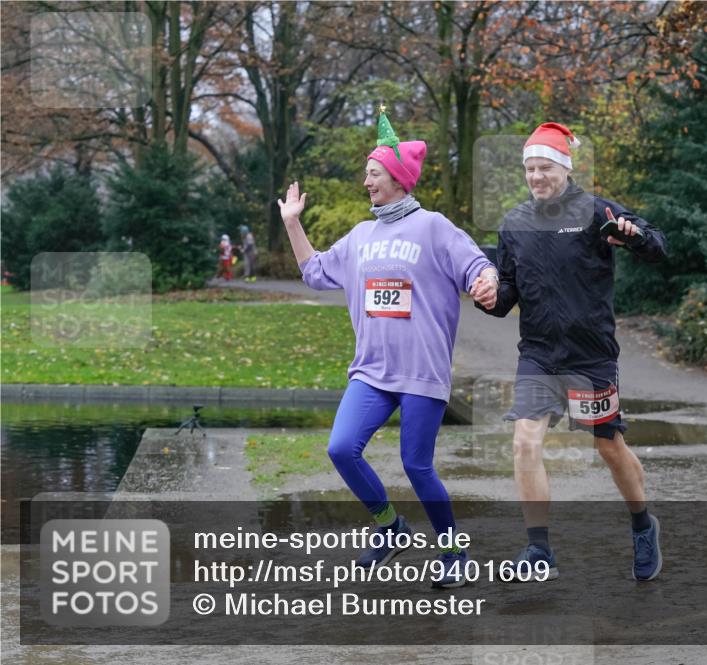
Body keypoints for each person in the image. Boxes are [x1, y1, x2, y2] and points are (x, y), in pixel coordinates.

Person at [277, 108, 498, 588]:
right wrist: (293, 223)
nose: (365, 181)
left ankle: (454, 552)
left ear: (397, 178)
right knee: (341, 448)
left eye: (373, 173)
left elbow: (477, 265)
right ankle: (389, 526)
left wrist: (485, 280)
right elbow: (315, 273)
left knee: (417, 465)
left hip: (421, 371)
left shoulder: (434, 228)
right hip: (372, 372)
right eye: (366, 173)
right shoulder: (361, 236)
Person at [471, 122, 667, 581]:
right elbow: (506, 299)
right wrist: (488, 297)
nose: (537, 176)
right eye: (529, 169)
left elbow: (657, 245)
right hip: (539, 354)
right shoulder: (514, 224)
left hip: (591, 355)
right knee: (524, 442)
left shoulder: (596, 211)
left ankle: (642, 524)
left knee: (609, 446)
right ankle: (539, 548)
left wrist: (634, 236)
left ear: (564, 167)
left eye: (545, 167)